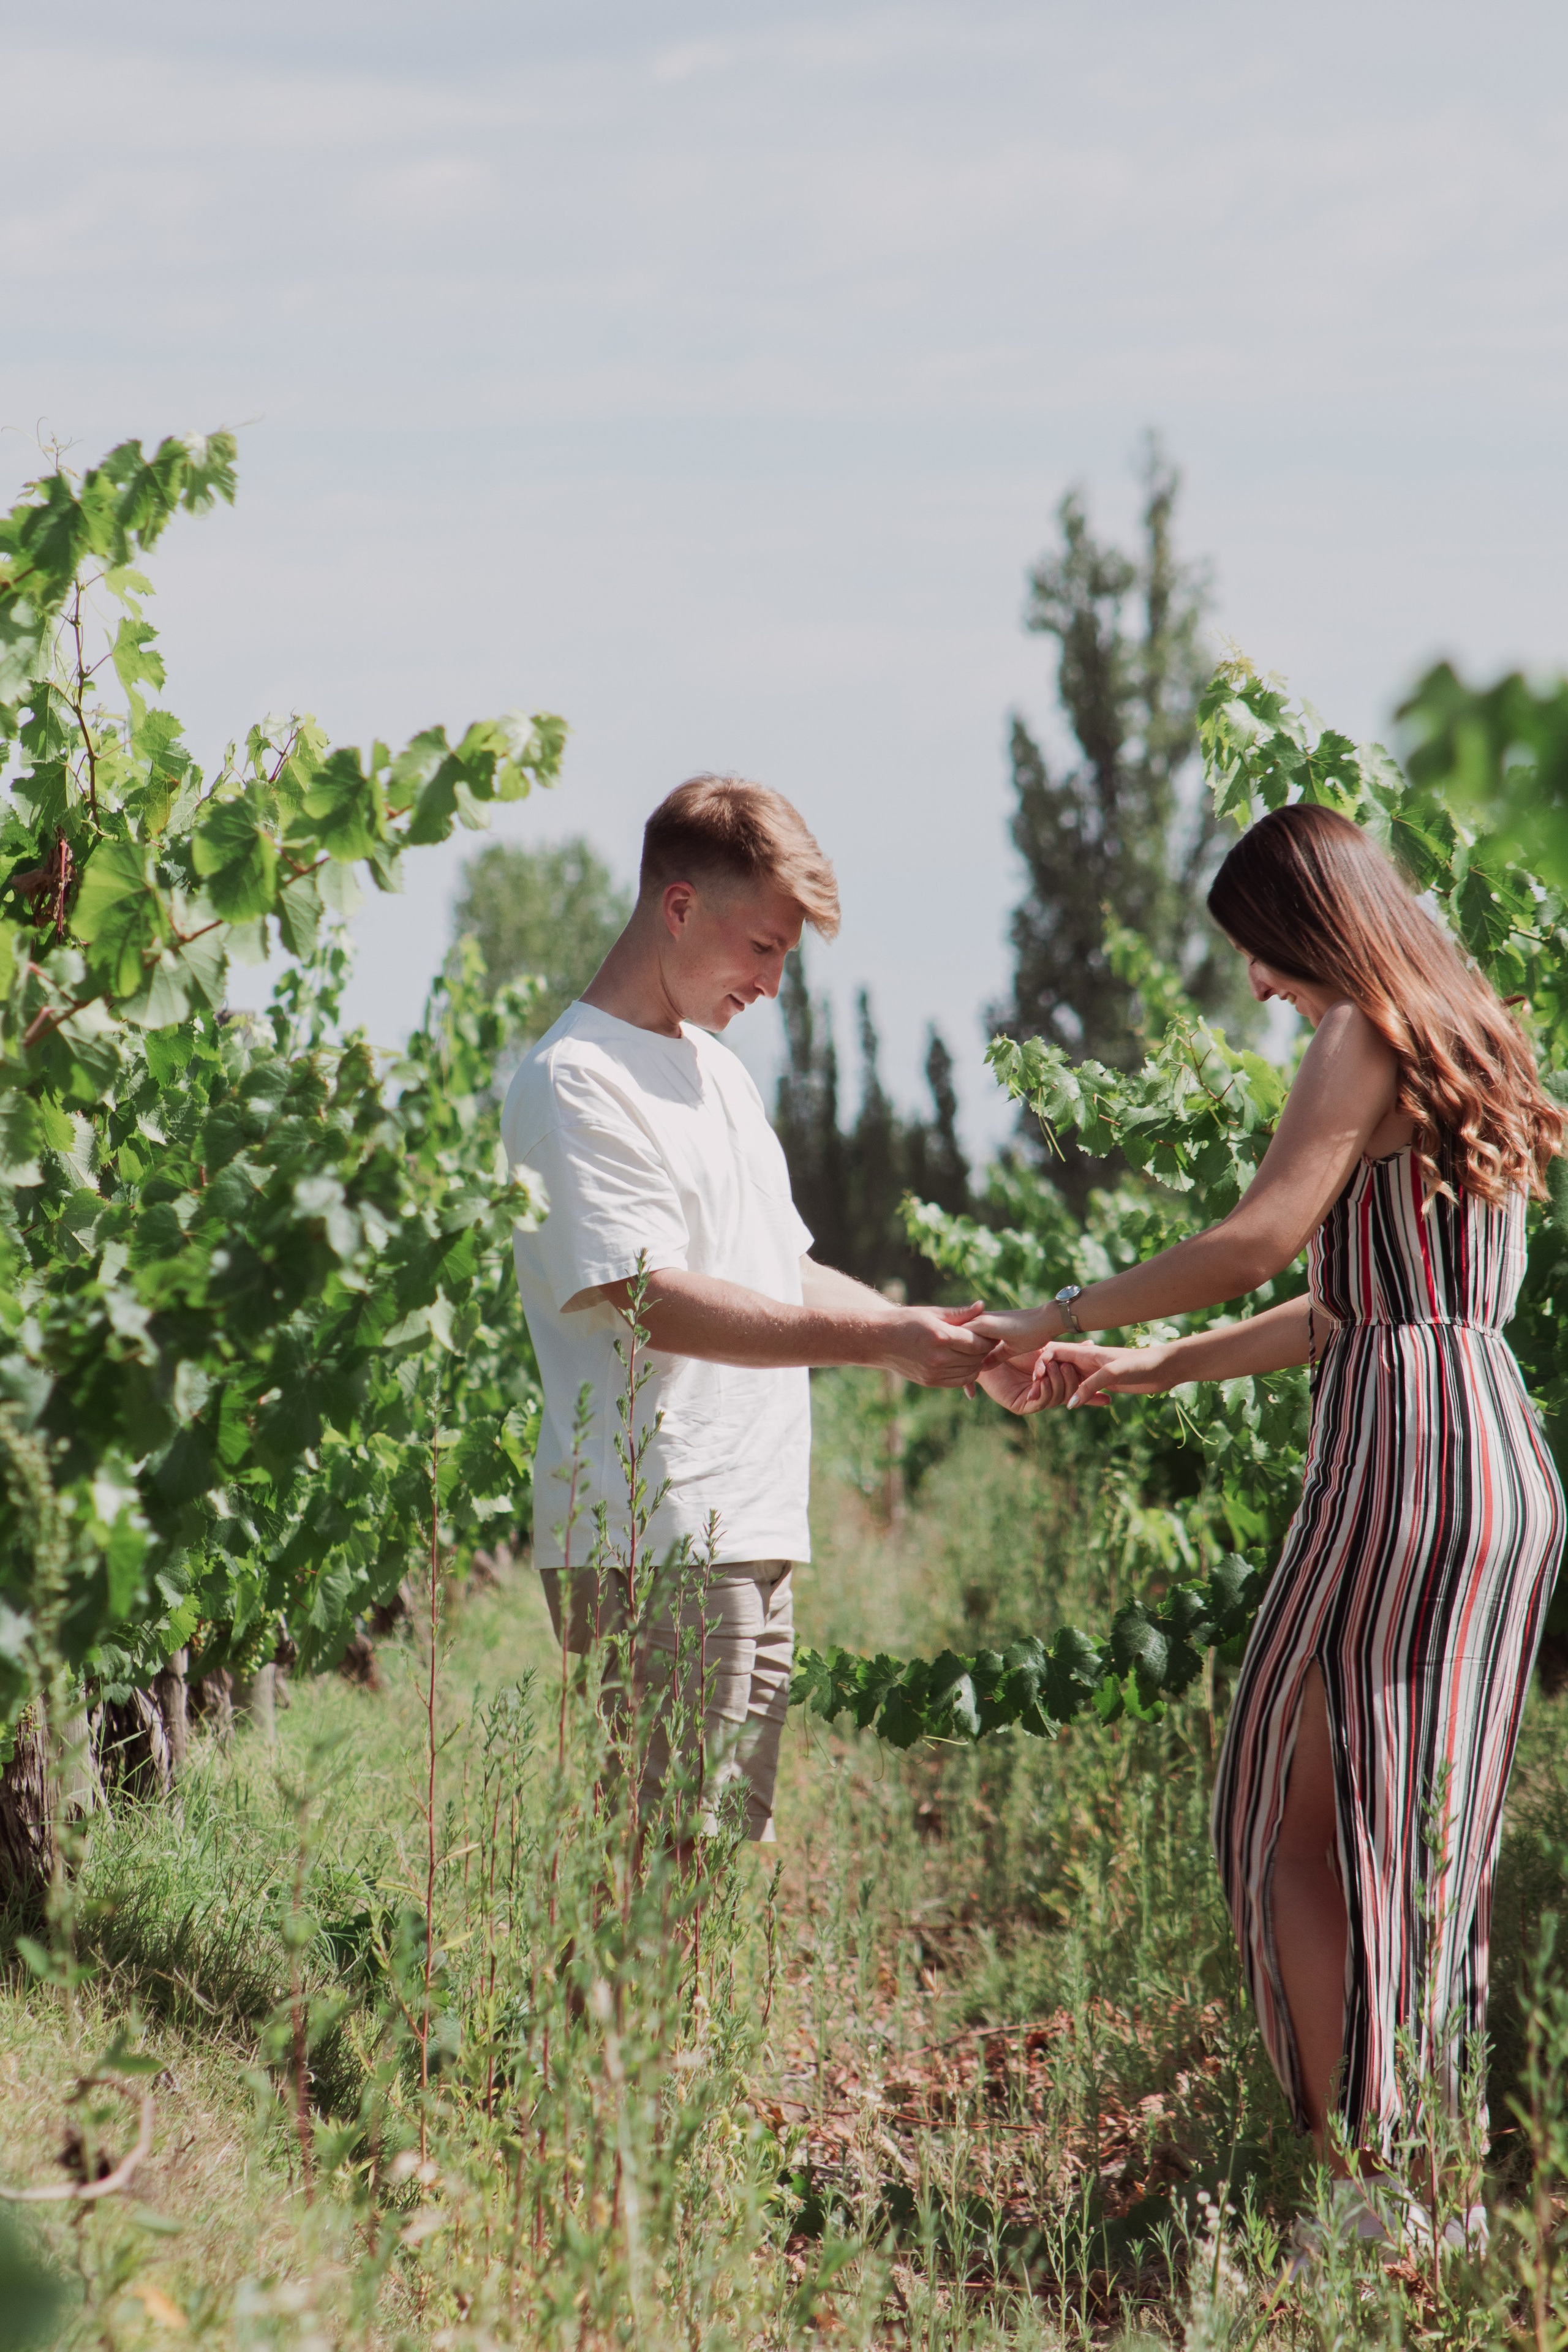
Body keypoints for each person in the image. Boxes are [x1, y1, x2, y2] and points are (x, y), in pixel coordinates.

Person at [972, 802, 1566, 2254]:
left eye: (1254, 950)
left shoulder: (1359, 1031)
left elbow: (1258, 1237)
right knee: (1416, 1826)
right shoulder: (1467, 1027)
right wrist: (1154, 1363)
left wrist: (1056, 1315)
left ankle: (1373, 2194)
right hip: (1487, 1441)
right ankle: (1422, 2199)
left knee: (1282, 1819)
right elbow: (1359, 1300)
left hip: (1398, 1456)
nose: (1251, 986)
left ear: (1308, 920)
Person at [500, 774, 1003, 1842]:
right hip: (659, 1534)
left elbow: (780, 1270)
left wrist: (937, 1341)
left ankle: (654, 2020)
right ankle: (615, 2023)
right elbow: (653, 1299)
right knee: (668, 1861)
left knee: (712, 1860)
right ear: (679, 908)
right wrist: (883, 1342)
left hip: (747, 1527)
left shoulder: (718, 1076)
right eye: (764, 947)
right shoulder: (576, 1080)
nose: (775, 983)